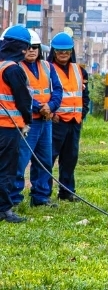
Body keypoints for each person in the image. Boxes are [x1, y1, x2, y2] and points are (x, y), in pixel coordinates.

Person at [11, 29, 60, 209]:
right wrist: (41, 107)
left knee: (45, 159)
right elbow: (22, 94)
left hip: (46, 121)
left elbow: (57, 89)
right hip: (28, 121)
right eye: (28, 47)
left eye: (35, 47)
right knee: (21, 160)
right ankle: (14, 198)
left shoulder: (48, 67)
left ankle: (40, 196)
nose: (32, 50)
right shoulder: (16, 68)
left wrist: (51, 107)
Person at [0, 25, 35, 223]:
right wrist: (27, 121)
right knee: (6, 168)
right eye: (24, 47)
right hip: (7, 127)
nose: (26, 51)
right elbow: (23, 100)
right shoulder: (13, 69)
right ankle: (4, 210)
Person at [48, 31, 86, 202]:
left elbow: (85, 95)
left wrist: (82, 113)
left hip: (74, 121)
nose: (63, 54)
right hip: (56, 121)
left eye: (67, 51)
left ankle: (67, 191)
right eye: (59, 51)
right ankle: (43, 193)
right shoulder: (47, 69)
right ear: (53, 52)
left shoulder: (79, 70)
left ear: (72, 52)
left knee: (70, 158)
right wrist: (52, 114)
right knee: (48, 157)